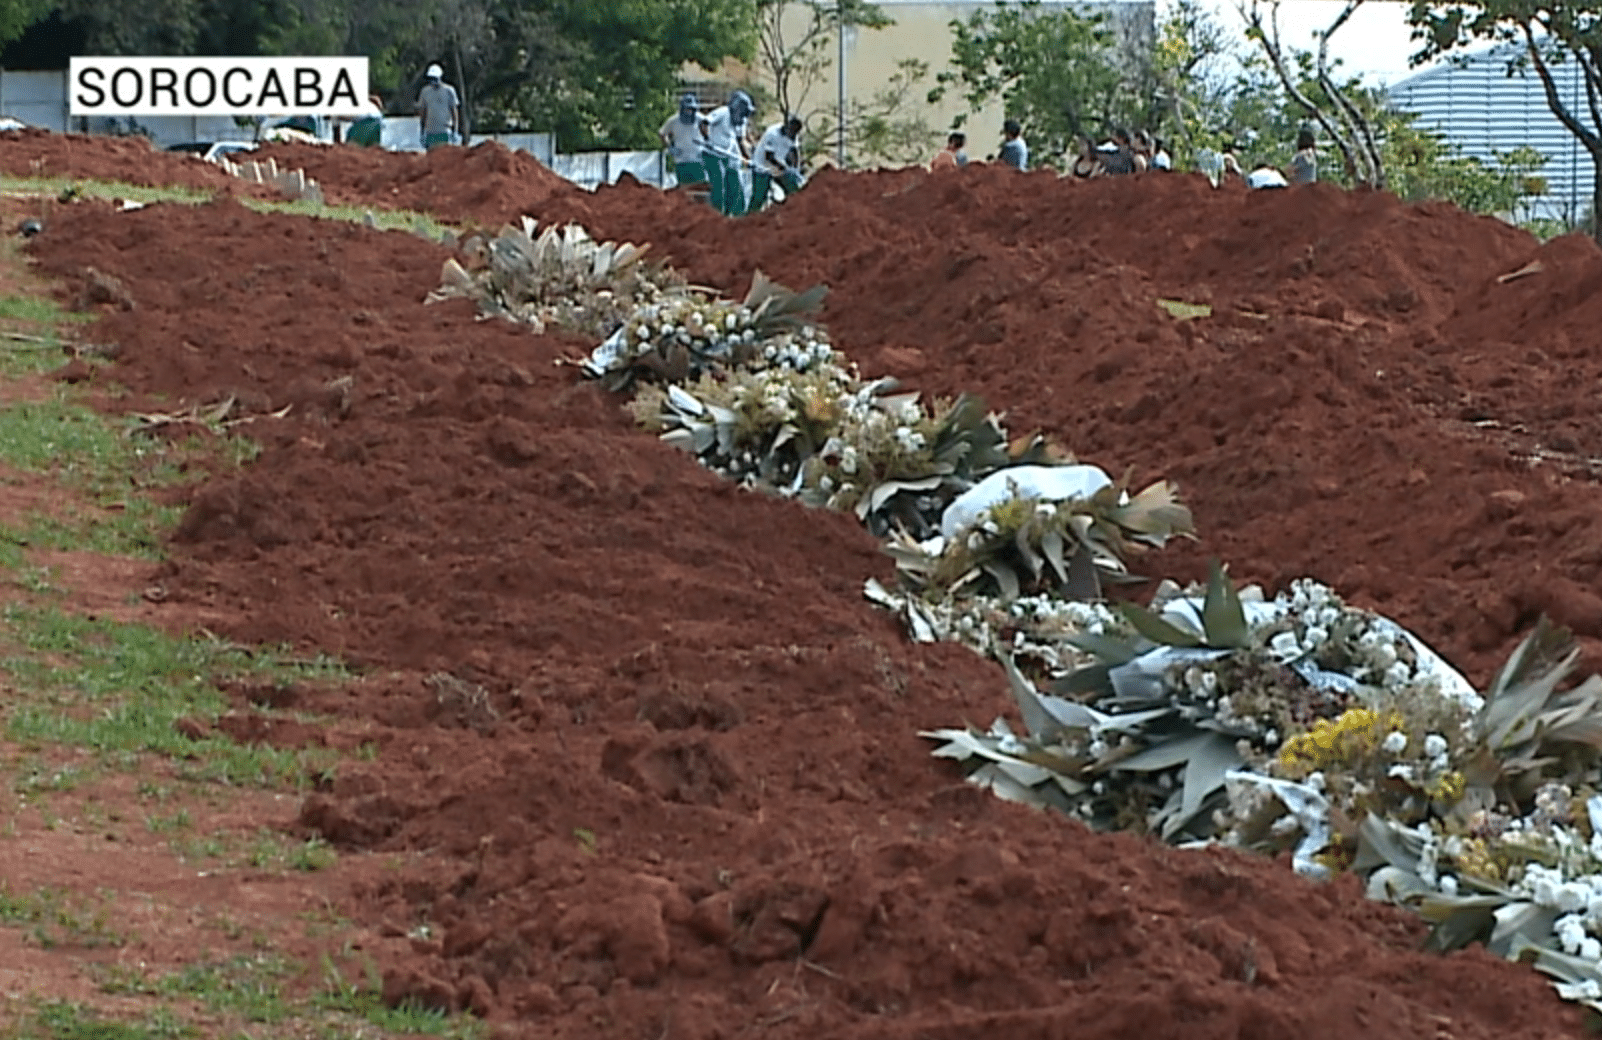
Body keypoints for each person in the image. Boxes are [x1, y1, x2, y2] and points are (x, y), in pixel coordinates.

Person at [699, 90, 754, 216]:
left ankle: (733, 215)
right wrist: (707, 139)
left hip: (726, 156)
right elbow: (704, 123)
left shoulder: (741, 122)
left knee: (734, 184)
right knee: (719, 185)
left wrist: (748, 158)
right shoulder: (723, 113)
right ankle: (717, 214)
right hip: (712, 155)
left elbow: (740, 141)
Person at [750, 115, 805, 212]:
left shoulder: (793, 136)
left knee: (794, 188)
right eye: (793, 130)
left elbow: (794, 151)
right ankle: (751, 217)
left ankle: (791, 212)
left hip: (779, 168)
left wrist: (796, 169)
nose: (794, 133)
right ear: (788, 126)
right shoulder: (773, 133)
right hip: (762, 167)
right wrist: (783, 167)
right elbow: (769, 157)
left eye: (796, 131)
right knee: (759, 197)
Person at [660, 94, 706, 190]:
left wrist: (706, 145)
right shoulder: (673, 120)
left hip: (698, 159)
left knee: (699, 188)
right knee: (684, 189)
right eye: (687, 109)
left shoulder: (701, 119)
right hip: (681, 160)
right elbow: (662, 133)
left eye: (691, 109)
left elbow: (711, 132)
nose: (689, 112)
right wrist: (670, 147)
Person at [417, 64, 460, 151]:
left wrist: (455, 130)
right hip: (430, 131)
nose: (433, 81)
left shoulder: (449, 90)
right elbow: (423, 112)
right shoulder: (425, 92)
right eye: (431, 78)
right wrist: (422, 132)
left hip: (444, 131)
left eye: (435, 78)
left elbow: (454, 111)